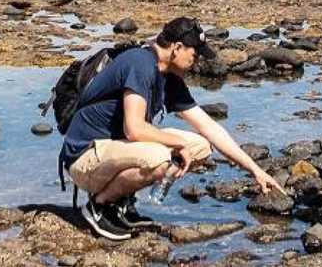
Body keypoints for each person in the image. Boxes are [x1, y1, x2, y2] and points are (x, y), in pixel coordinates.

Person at [60, 17, 285, 241]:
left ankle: (122, 201)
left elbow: (209, 127)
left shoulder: (168, 77)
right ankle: (100, 206)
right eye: (194, 54)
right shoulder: (140, 64)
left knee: (200, 146)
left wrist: (255, 170)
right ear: (177, 48)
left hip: (114, 149)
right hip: (84, 155)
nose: (196, 61)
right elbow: (134, 129)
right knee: (160, 158)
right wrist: (177, 144)